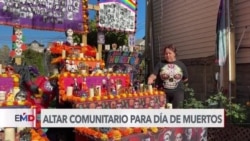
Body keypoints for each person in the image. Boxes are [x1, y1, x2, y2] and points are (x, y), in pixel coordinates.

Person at [147, 44, 188, 108]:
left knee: (177, 111)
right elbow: (154, 75)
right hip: (163, 93)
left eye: (170, 53)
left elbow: (185, 79)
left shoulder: (181, 65)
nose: (167, 55)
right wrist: (150, 78)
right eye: (166, 54)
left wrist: (176, 81)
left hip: (178, 93)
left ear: (174, 53)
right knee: (163, 110)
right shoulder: (160, 64)